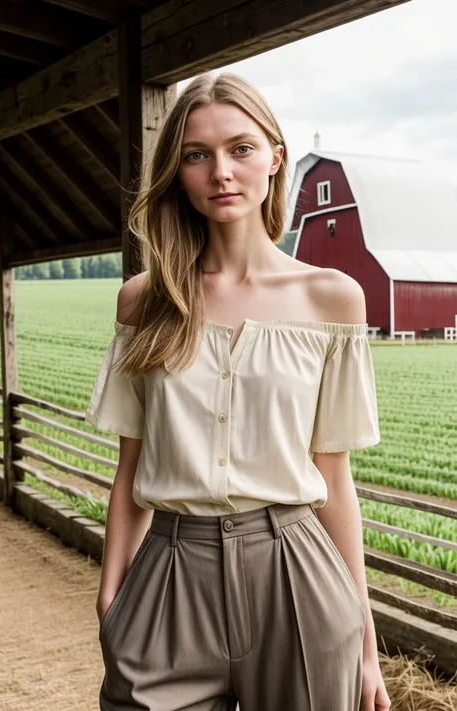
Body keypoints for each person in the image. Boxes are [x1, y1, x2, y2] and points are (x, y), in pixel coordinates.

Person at [86, 72, 390, 711]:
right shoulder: (144, 301)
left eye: (241, 148)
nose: (220, 171)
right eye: (197, 155)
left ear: (276, 157)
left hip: (297, 576)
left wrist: (365, 637)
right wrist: (112, 599)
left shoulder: (331, 297)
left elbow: (335, 479)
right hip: (168, 577)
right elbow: (131, 466)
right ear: (178, 171)